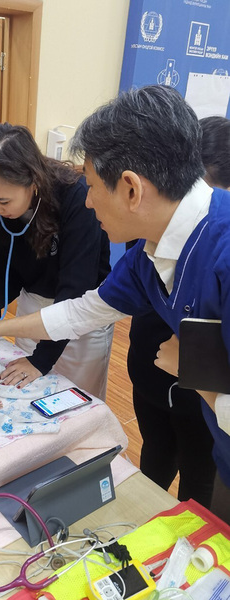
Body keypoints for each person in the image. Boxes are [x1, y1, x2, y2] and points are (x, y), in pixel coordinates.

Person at [0, 86, 230, 524]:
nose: (88, 199)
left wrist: (193, 369)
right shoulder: (147, 254)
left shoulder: (221, 252)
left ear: (131, 188)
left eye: (93, 186)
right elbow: (80, 312)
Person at [0, 123, 113, 399]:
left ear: (34, 181)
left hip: (80, 318)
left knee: (77, 404)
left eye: (3, 201)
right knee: (27, 398)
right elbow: (5, 278)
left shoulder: (77, 199)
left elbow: (74, 294)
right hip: (32, 315)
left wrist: (40, 360)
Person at [126, 116, 230, 507]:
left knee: (198, 476)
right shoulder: (153, 228)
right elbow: (104, 300)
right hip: (151, 367)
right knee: (155, 454)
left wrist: (190, 366)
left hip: (203, 392)